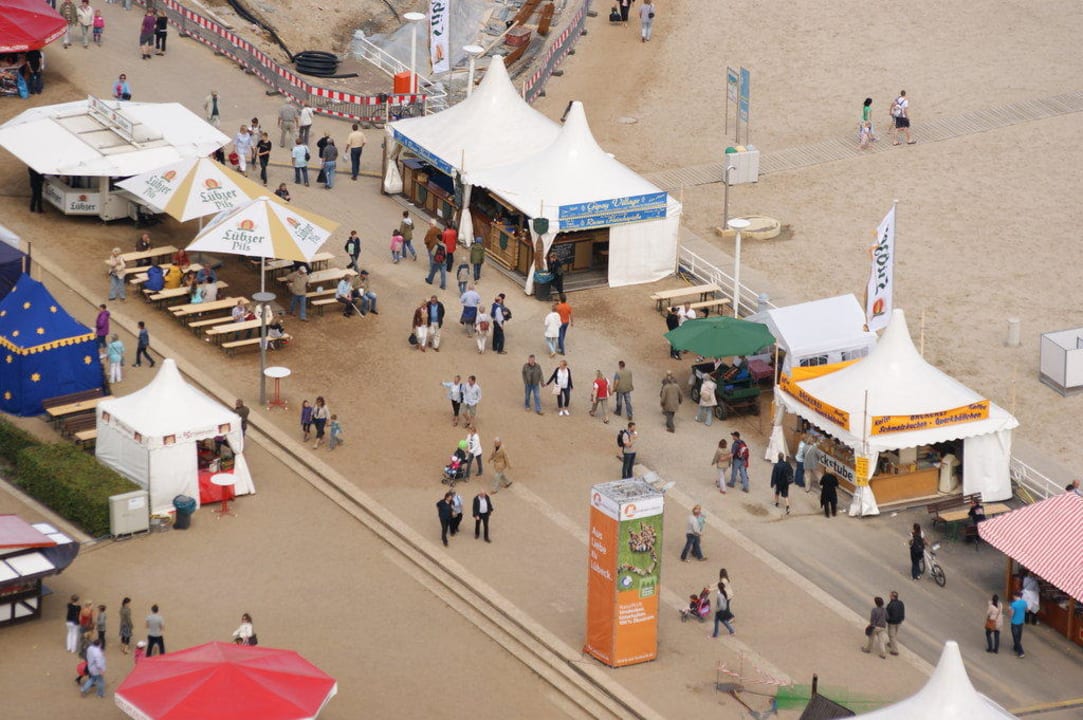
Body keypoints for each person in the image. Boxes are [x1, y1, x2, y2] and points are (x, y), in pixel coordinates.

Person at [885, 591, 905, 656]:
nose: (889, 596)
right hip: (899, 621)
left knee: (891, 635)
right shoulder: (901, 603)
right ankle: (891, 643)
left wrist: (888, 620)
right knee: (895, 634)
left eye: (890, 595)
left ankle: (895, 651)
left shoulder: (890, 605)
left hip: (892, 622)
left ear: (893, 597)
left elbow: (886, 614)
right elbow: (902, 611)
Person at [1009, 590, 1027, 657]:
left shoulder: (1013, 604)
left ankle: (1021, 652)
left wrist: (1010, 610)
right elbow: (1026, 610)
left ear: (1015, 596)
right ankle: (1016, 647)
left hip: (1014, 622)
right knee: (1019, 635)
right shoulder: (1024, 602)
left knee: (1015, 637)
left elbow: (1011, 614)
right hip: (1021, 621)